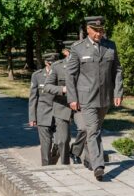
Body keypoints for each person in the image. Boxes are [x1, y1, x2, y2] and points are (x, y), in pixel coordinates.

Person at [66, 16, 123, 181]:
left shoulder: (110, 46)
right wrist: (72, 98)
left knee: (95, 129)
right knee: (93, 130)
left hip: (105, 97)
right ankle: (99, 166)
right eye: (95, 30)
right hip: (86, 97)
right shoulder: (78, 48)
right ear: (87, 29)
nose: (99, 33)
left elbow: (117, 70)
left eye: (101, 30)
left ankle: (88, 157)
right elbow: (71, 75)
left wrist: (117, 93)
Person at [43, 44, 75, 165]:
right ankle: (65, 164)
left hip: (81, 106)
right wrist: (63, 89)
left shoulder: (85, 65)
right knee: (63, 139)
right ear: (66, 52)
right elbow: (47, 86)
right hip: (62, 105)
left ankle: (76, 152)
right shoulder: (57, 66)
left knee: (85, 131)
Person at [28, 53, 59, 166]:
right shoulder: (37, 75)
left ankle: (53, 161)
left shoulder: (61, 74)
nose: (54, 67)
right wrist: (32, 117)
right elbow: (33, 98)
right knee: (46, 145)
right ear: (46, 63)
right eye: (52, 64)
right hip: (43, 114)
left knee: (61, 142)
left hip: (58, 114)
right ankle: (46, 167)